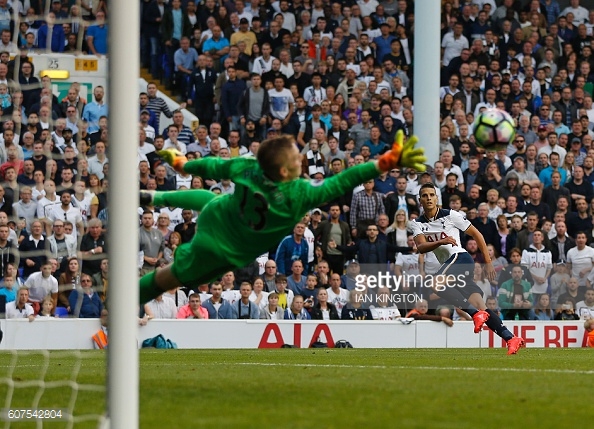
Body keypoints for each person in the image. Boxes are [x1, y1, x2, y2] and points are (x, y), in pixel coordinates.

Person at [138, 132, 426, 303]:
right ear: (287, 173)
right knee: (166, 279)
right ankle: (122, 302)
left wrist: (181, 163)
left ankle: (157, 197)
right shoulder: (299, 194)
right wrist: (384, 162)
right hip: (221, 251)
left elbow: (210, 165)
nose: (300, 158)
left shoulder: (247, 166)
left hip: (218, 216)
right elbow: (344, 180)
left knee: (213, 200)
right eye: (296, 157)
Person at [411, 183, 525, 355]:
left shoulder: (450, 215)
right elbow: (421, 247)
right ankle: (511, 338)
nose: (428, 198)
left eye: (431, 195)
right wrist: (441, 242)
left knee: (435, 284)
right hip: (451, 265)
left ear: (436, 198)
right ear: (420, 200)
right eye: (425, 196)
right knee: (482, 307)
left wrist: (487, 261)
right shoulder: (417, 223)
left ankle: (473, 314)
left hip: (460, 258)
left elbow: (476, 234)